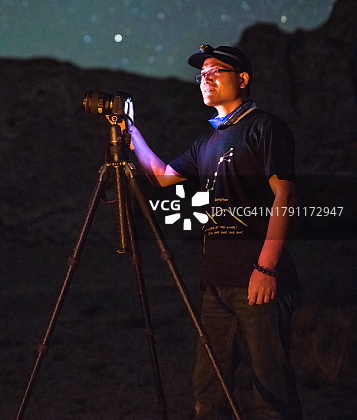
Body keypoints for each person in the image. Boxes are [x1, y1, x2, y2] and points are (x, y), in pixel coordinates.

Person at [127, 44, 302, 420]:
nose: (205, 78)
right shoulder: (206, 140)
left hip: (259, 281)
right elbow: (162, 177)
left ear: (242, 79)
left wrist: (267, 268)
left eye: (215, 71)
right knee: (208, 391)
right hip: (216, 283)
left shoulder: (264, 128)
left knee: (272, 392)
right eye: (201, 74)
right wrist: (130, 133)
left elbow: (284, 194)